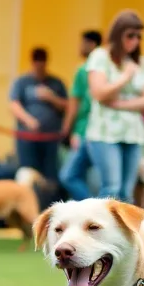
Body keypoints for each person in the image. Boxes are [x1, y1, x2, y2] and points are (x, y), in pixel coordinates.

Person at [84, 11, 144, 201]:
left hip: (133, 133)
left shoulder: (140, 61)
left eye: (139, 36)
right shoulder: (100, 56)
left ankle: (125, 232)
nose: (135, 41)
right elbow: (99, 93)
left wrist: (117, 103)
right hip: (105, 133)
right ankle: (104, 230)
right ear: (118, 34)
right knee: (111, 187)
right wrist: (125, 78)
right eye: (130, 35)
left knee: (127, 192)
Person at [8, 48, 67, 186]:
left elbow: (67, 106)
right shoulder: (22, 82)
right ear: (32, 63)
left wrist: (51, 98)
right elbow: (13, 105)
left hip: (51, 138)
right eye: (37, 63)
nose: (40, 67)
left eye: (43, 63)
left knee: (51, 174)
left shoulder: (56, 83)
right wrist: (28, 120)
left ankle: (49, 202)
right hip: (27, 138)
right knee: (27, 173)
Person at [58, 30, 103, 201]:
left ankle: (89, 207)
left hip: (84, 132)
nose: (79, 47)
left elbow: (74, 104)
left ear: (91, 45)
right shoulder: (105, 70)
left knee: (68, 175)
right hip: (101, 134)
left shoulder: (83, 70)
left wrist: (67, 130)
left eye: (82, 43)